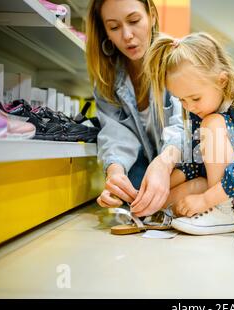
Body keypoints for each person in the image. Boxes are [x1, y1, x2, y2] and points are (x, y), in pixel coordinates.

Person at [141, 32, 234, 235]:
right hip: (233, 194)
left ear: (221, 81)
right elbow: (194, 164)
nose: (189, 106)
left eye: (195, 98)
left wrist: (205, 200)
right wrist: (157, 190)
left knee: (212, 123)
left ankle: (219, 213)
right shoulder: (199, 111)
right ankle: (155, 209)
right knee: (171, 197)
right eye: (182, 100)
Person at [86, 0, 184, 217]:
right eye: (114, 27)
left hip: (184, 169)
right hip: (145, 177)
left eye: (134, 20)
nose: (127, 35)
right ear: (105, 32)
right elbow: (114, 133)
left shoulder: (176, 60)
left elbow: (184, 125)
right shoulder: (107, 78)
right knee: (131, 196)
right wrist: (115, 174)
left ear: (152, 15)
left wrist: (164, 163)